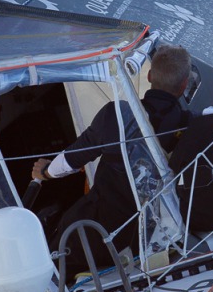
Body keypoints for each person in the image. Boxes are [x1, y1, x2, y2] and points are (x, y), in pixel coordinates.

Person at [31, 44, 193, 275]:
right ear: (185, 85)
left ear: (148, 76)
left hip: (101, 234)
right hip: (156, 235)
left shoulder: (116, 116)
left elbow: (73, 158)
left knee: (56, 253)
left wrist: (45, 171)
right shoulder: (190, 124)